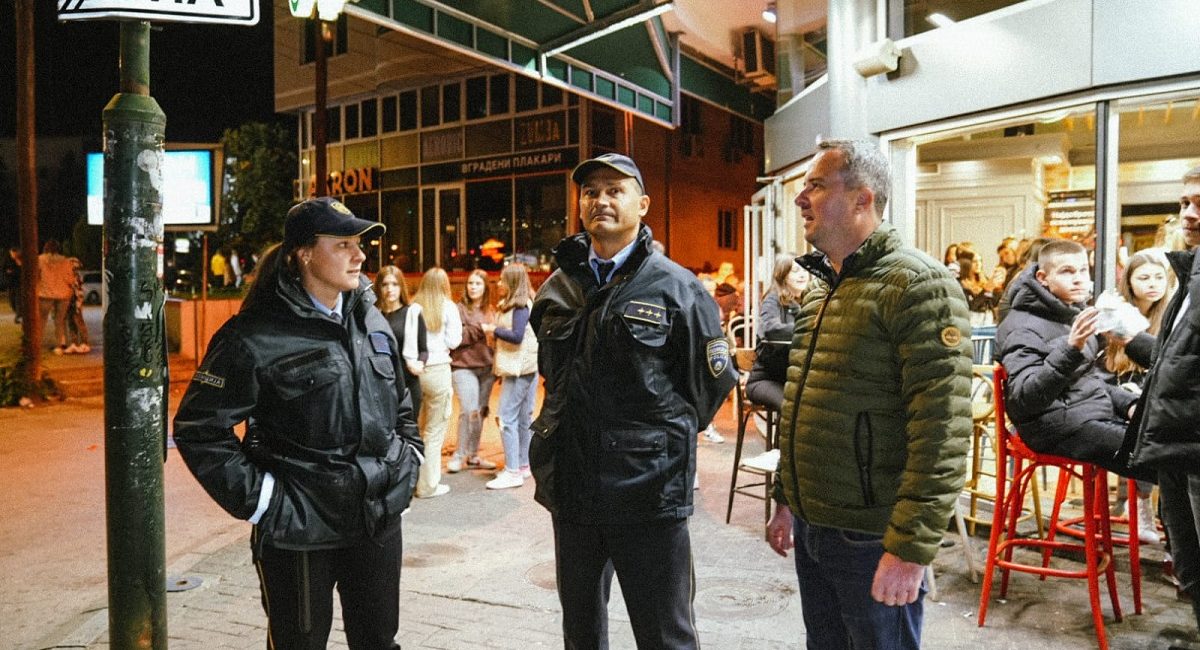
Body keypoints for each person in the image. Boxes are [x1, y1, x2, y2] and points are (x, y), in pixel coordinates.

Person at [172, 197, 423, 650]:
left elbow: (401, 399)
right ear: (304, 254)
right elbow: (200, 428)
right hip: (299, 531)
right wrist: (265, 501)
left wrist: (408, 459)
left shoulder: (369, 318)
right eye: (343, 244)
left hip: (377, 518)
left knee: (380, 641)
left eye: (359, 243)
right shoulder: (254, 335)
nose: (359, 255)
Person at [765, 139, 972, 650]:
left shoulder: (919, 285)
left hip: (872, 537)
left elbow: (942, 432)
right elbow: (804, 405)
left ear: (863, 199)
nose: (801, 199)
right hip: (816, 526)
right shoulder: (823, 286)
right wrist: (787, 499)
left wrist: (910, 548)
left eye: (816, 186)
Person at [529, 153, 736, 649]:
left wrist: (653, 441)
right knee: (580, 633)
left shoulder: (678, 287)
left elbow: (709, 386)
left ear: (642, 205)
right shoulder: (558, 287)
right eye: (590, 192)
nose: (600, 200)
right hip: (573, 489)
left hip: (648, 494)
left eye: (614, 190)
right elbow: (554, 378)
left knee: (665, 635)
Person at [996, 239, 1155, 482]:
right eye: (1067, 272)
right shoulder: (1022, 326)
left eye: (1082, 270)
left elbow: (1086, 381)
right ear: (1042, 278)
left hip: (1087, 415)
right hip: (1054, 427)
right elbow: (1025, 399)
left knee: (1172, 444)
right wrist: (1072, 349)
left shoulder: (1071, 311)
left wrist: (1128, 403)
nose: (1079, 279)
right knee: (1163, 458)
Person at [1119, 165, 1200, 630]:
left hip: (1192, 449)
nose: (1188, 214)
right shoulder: (1188, 276)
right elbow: (1176, 360)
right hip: (1176, 449)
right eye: (1185, 202)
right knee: (1190, 570)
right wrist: (1130, 337)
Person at [1098, 250, 1174, 543]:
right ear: (1128, 282)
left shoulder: (1170, 317)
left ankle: (1155, 507)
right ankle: (1141, 504)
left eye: (1159, 277)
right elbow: (1100, 375)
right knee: (1146, 426)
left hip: (1152, 399)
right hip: (1115, 399)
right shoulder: (1114, 315)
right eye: (1143, 278)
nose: (1153, 284)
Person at [481, 262, 538, 490]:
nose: (499, 283)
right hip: (525, 369)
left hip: (519, 370)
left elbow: (516, 336)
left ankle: (512, 471)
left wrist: (492, 329)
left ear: (512, 282)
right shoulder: (520, 304)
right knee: (523, 418)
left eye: (503, 279)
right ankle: (522, 465)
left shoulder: (521, 307)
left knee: (506, 418)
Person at [412, 266, 462, 498]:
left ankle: (413, 480)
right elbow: (453, 341)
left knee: (418, 428)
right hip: (438, 369)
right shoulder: (448, 306)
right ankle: (428, 485)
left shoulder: (414, 306)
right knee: (434, 430)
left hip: (416, 371)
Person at [448, 269, 498, 474]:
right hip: (463, 366)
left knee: (481, 411)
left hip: (487, 368)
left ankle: (473, 455)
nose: (473, 287)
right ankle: (459, 455)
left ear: (485, 287)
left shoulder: (491, 310)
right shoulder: (458, 309)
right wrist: (481, 329)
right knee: (469, 410)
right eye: (470, 283)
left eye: (478, 283)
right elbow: (456, 338)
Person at [744, 253, 807, 411]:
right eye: (795, 271)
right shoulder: (773, 299)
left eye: (804, 270)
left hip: (794, 379)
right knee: (793, 408)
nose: (802, 274)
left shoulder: (809, 301)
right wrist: (807, 328)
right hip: (765, 379)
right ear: (783, 276)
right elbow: (771, 329)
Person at [374, 265, 428, 414]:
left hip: (408, 381)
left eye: (394, 284)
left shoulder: (412, 313)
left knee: (409, 426)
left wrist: (420, 363)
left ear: (401, 287)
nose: (389, 289)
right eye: (385, 284)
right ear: (379, 287)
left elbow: (423, 350)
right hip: (381, 382)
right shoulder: (373, 315)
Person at [37, 240, 75, 355]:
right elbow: (70, 279)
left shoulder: (40, 260)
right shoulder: (66, 261)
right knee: (60, 320)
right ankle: (59, 346)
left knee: (42, 320)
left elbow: (36, 276)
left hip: (45, 293)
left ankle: (36, 345)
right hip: (63, 294)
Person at [957, 249, 997, 326]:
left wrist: (995, 290)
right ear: (966, 263)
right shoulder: (960, 283)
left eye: (980, 261)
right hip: (970, 321)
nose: (979, 264)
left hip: (987, 320)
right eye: (974, 261)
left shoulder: (985, 279)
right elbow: (971, 306)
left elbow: (992, 302)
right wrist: (985, 291)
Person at [63, 257, 91, 354]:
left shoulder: (76, 276)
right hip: (70, 301)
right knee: (71, 322)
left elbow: (78, 290)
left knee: (78, 321)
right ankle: (74, 343)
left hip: (75, 302)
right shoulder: (71, 275)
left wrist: (78, 303)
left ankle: (84, 343)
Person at [5, 246, 21, 323]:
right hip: (11, 284)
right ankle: (18, 314)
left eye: (14, 253)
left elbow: (21, 271)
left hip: (19, 284)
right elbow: (5, 270)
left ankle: (18, 316)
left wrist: (12, 271)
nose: (13, 255)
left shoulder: (20, 260)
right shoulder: (8, 260)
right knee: (12, 301)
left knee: (18, 301)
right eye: (11, 253)